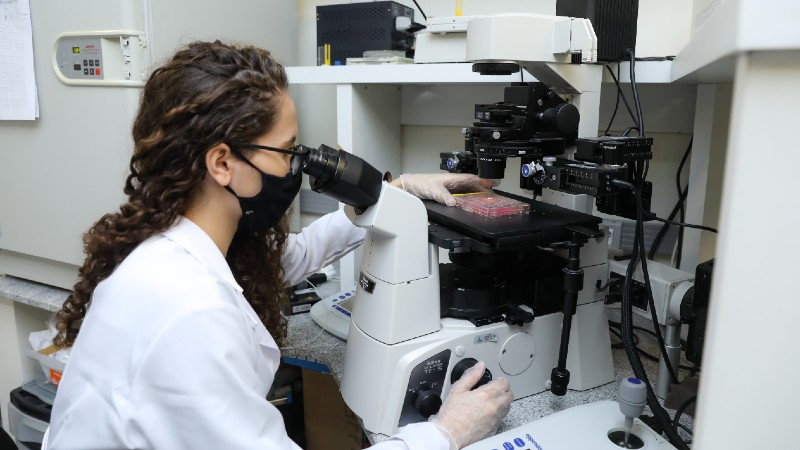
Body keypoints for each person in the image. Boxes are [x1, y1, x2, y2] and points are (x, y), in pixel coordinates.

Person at [42, 41, 511, 450]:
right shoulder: (190, 313)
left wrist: (400, 191)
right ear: (222, 162)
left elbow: (294, 257)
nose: (295, 169)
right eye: (287, 152)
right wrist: (444, 434)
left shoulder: (175, 246)